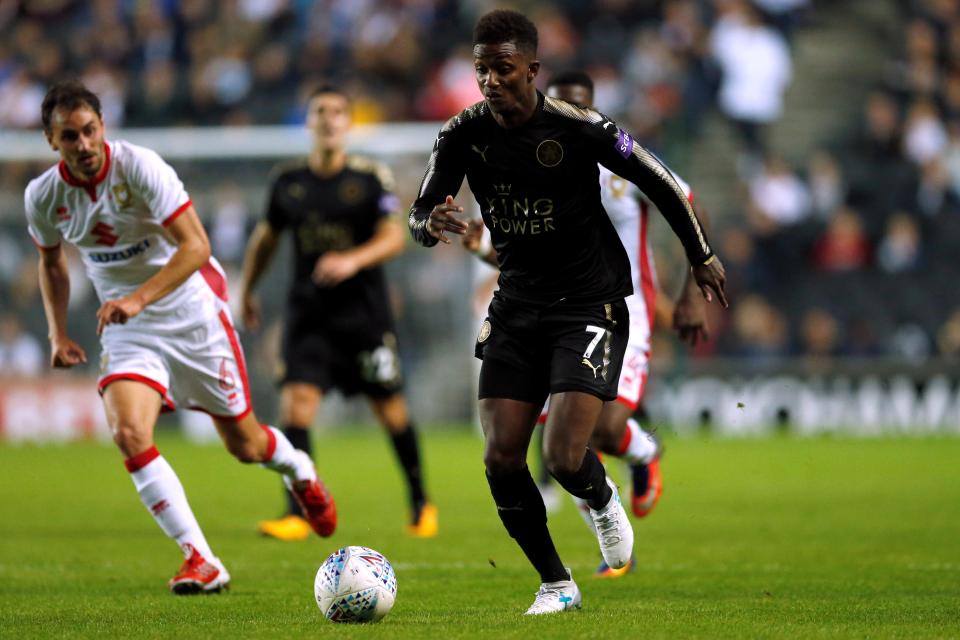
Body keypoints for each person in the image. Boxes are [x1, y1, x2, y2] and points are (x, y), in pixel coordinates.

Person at [409, 10, 726, 614]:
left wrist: (700, 256)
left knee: (562, 457)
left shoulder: (581, 129)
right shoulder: (459, 135)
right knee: (501, 458)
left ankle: (602, 500)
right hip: (515, 305)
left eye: (503, 69)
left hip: (589, 303)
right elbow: (420, 211)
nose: (491, 81)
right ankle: (556, 582)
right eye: (482, 70)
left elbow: (661, 180)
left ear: (532, 69)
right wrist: (430, 223)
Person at [24, 80, 337, 595]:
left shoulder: (139, 167)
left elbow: (196, 247)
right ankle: (201, 558)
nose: (83, 144)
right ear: (50, 141)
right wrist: (58, 333)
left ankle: (299, 469)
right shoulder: (44, 196)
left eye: (89, 131)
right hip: (130, 329)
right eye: (69, 136)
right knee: (128, 433)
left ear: (102, 127)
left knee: (246, 445)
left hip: (193, 314)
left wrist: (137, 298)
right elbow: (51, 262)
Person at [463, 70, 711, 578]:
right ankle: (608, 545)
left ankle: (642, 449)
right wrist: (484, 251)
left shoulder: (619, 165)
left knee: (601, 429)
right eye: (564, 105)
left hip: (627, 312)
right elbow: (527, 248)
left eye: (583, 106)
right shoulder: (541, 164)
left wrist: (691, 292)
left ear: (594, 109)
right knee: (568, 439)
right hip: (556, 314)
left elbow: (682, 199)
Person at [239, 84, 437, 540]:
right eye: (320, 111)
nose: (328, 119)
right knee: (297, 406)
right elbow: (266, 238)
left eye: (337, 112)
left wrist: (351, 259)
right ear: (308, 122)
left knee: (391, 410)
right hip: (309, 315)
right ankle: (296, 512)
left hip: (364, 317)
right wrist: (246, 289)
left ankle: (421, 503)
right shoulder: (288, 181)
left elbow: (392, 237)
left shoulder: (369, 178)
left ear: (348, 123)